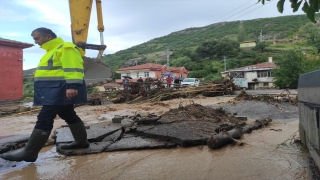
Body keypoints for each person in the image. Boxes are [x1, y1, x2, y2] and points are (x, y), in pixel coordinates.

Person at [1, 27, 89, 162]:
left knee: (44, 118)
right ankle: (81, 142)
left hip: (60, 90)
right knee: (68, 114)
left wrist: (72, 86)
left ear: (48, 36)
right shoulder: (51, 51)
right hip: (53, 90)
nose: (36, 42)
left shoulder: (66, 48)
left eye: (37, 38)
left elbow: (73, 67)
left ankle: (29, 153)